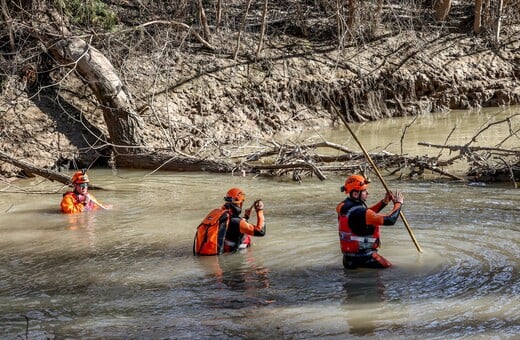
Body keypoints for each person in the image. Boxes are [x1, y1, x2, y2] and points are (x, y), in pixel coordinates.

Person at [336, 174, 404, 269]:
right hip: (366, 257)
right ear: (355, 194)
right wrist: (398, 203)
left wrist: (384, 202)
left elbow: (365, 215)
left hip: (348, 260)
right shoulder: (362, 212)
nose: (367, 193)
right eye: (364, 191)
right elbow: (390, 219)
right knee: (392, 269)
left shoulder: (342, 206)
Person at [221, 187, 266, 253]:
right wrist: (260, 211)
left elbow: (234, 227)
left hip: (225, 250)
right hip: (235, 256)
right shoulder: (237, 222)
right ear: (240, 203)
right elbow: (261, 232)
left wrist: (246, 217)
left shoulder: (222, 215)